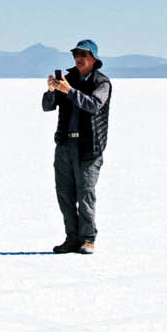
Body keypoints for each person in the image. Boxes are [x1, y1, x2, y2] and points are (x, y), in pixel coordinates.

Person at [42, 38, 111, 253]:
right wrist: (52, 91)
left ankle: (88, 238)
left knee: (85, 193)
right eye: (76, 54)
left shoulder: (102, 83)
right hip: (65, 144)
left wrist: (69, 91)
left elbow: (93, 105)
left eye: (83, 54)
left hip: (89, 147)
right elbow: (47, 107)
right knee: (65, 193)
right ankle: (71, 238)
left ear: (93, 58)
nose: (78, 58)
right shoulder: (68, 79)